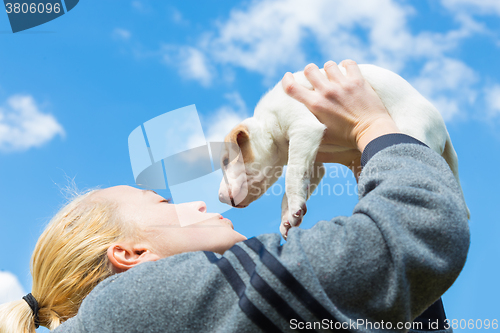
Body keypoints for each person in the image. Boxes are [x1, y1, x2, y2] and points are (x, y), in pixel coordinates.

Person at [0, 60, 470, 333]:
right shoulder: (125, 308)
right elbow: (416, 239)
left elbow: (396, 292)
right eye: (164, 203)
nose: (201, 203)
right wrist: (373, 127)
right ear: (129, 254)